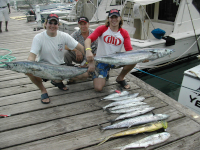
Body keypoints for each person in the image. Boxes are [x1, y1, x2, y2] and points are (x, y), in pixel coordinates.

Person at [27, 13, 84, 104]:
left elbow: (80, 46)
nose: (52, 25)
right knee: (29, 71)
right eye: (50, 23)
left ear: (58, 25)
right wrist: (30, 64)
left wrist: (87, 55)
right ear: (46, 24)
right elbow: (32, 55)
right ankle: (43, 90)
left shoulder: (63, 35)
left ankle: (57, 81)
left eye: (55, 23)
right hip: (44, 67)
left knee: (84, 75)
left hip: (60, 66)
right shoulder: (38, 37)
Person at [84, 9, 136, 91]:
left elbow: (129, 50)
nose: (114, 19)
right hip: (102, 61)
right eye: (112, 17)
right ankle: (103, 73)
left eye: (116, 17)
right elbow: (88, 39)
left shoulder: (124, 33)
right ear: (108, 19)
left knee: (134, 59)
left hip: (116, 60)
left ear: (120, 18)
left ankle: (120, 78)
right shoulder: (102, 29)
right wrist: (88, 50)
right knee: (98, 88)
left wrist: (141, 58)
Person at [64, 16, 98, 84]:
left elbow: (97, 51)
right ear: (78, 25)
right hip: (79, 57)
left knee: (85, 75)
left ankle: (87, 73)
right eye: (81, 24)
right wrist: (76, 50)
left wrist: (86, 63)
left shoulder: (94, 34)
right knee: (66, 53)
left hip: (92, 58)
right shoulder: (75, 34)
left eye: (84, 24)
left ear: (89, 24)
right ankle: (68, 72)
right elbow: (65, 45)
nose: (83, 26)